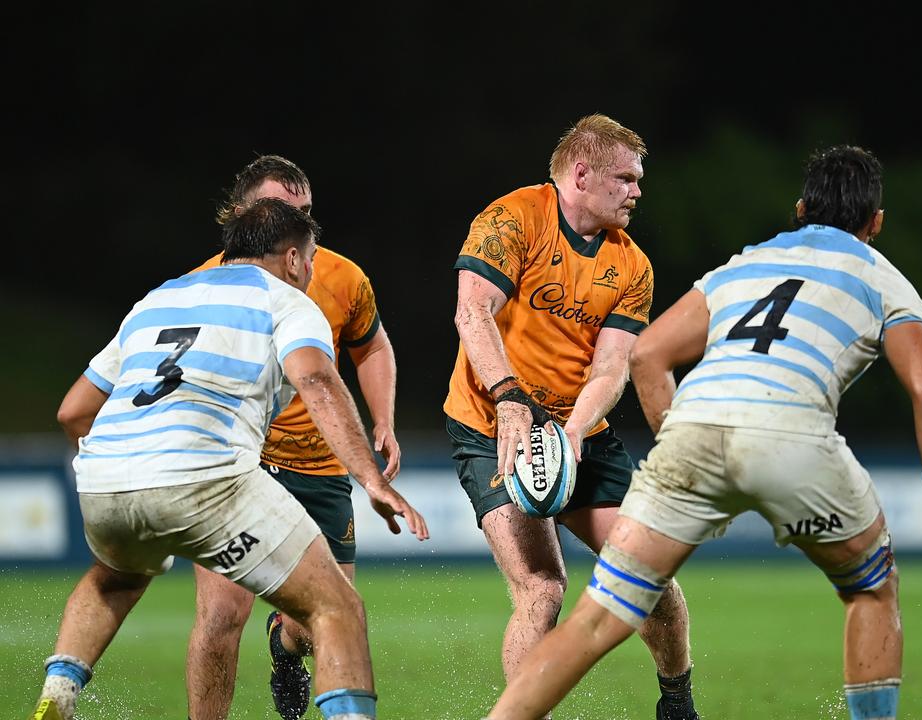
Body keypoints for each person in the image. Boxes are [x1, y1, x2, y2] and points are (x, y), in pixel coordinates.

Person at [486, 144, 922, 720]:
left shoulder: (745, 264)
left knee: (598, 618)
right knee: (870, 588)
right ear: (876, 222)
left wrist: (684, 461)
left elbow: (648, 357)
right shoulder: (884, 278)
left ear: (799, 208)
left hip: (695, 428)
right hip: (794, 437)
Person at [34, 198, 428, 720]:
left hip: (107, 478)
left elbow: (72, 411)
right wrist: (371, 479)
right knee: (336, 607)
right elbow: (316, 379)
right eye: (310, 258)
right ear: (291, 258)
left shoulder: (159, 298)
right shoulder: (285, 301)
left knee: (115, 579)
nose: (312, 270)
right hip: (206, 476)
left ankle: (58, 692)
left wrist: (116, 470)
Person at [445, 113, 698, 720]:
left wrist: (575, 429)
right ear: (582, 173)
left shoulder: (631, 264)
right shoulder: (513, 219)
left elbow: (611, 366)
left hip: (576, 429)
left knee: (649, 572)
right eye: (626, 178)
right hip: (490, 427)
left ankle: (677, 699)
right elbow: (472, 313)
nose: (638, 190)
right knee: (543, 588)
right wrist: (510, 397)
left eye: (639, 179)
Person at [184, 155, 400, 720]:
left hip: (320, 469)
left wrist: (382, 420)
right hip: (237, 468)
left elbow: (372, 346)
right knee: (221, 615)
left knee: (319, 625)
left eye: (304, 215)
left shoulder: (342, 278)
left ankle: (284, 645)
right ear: (240, 216)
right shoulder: (205, 286)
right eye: (281, 212)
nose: (294, 231)